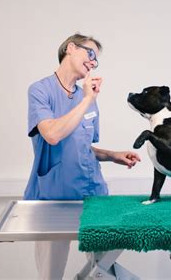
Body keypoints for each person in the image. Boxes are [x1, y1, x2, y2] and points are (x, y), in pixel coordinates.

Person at [23, 33, 141, 280]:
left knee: (102, 269)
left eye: (96, 61)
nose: (92, 63)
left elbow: (81, 146)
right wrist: (87, 98)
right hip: (54, 197)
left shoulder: (88, 98)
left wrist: (112, 155)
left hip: (93, 194)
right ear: (70, 48)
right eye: (90, 54)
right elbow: (53, 135)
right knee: (50, 274)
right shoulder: (40, 90)